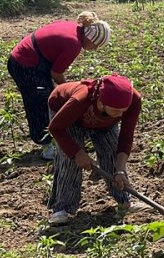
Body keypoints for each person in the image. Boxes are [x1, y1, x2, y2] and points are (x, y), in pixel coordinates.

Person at [7, 11, 111, 160]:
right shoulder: (73, 44)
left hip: (27, 59)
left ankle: (57, 138)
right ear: (91, 38)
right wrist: (73, 92)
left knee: (49, 97)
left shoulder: (73, 27)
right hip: (24, 64)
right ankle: (47, 147)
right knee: (40, 103)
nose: (94, 49)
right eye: (96, 45)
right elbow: (56, 73)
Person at [46, 74, 141, 225]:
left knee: (111, 150)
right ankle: (62, 208)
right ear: (101, 103)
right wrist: (77, 153)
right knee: (69, 160)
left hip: (104, 123)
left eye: (124, 110)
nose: (122, 114)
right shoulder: (80, 100)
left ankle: (125, 199)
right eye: (117, 111)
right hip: (68, 118)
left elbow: (126, 138)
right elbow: (56, 128)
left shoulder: (133, 100)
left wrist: (120, 170)